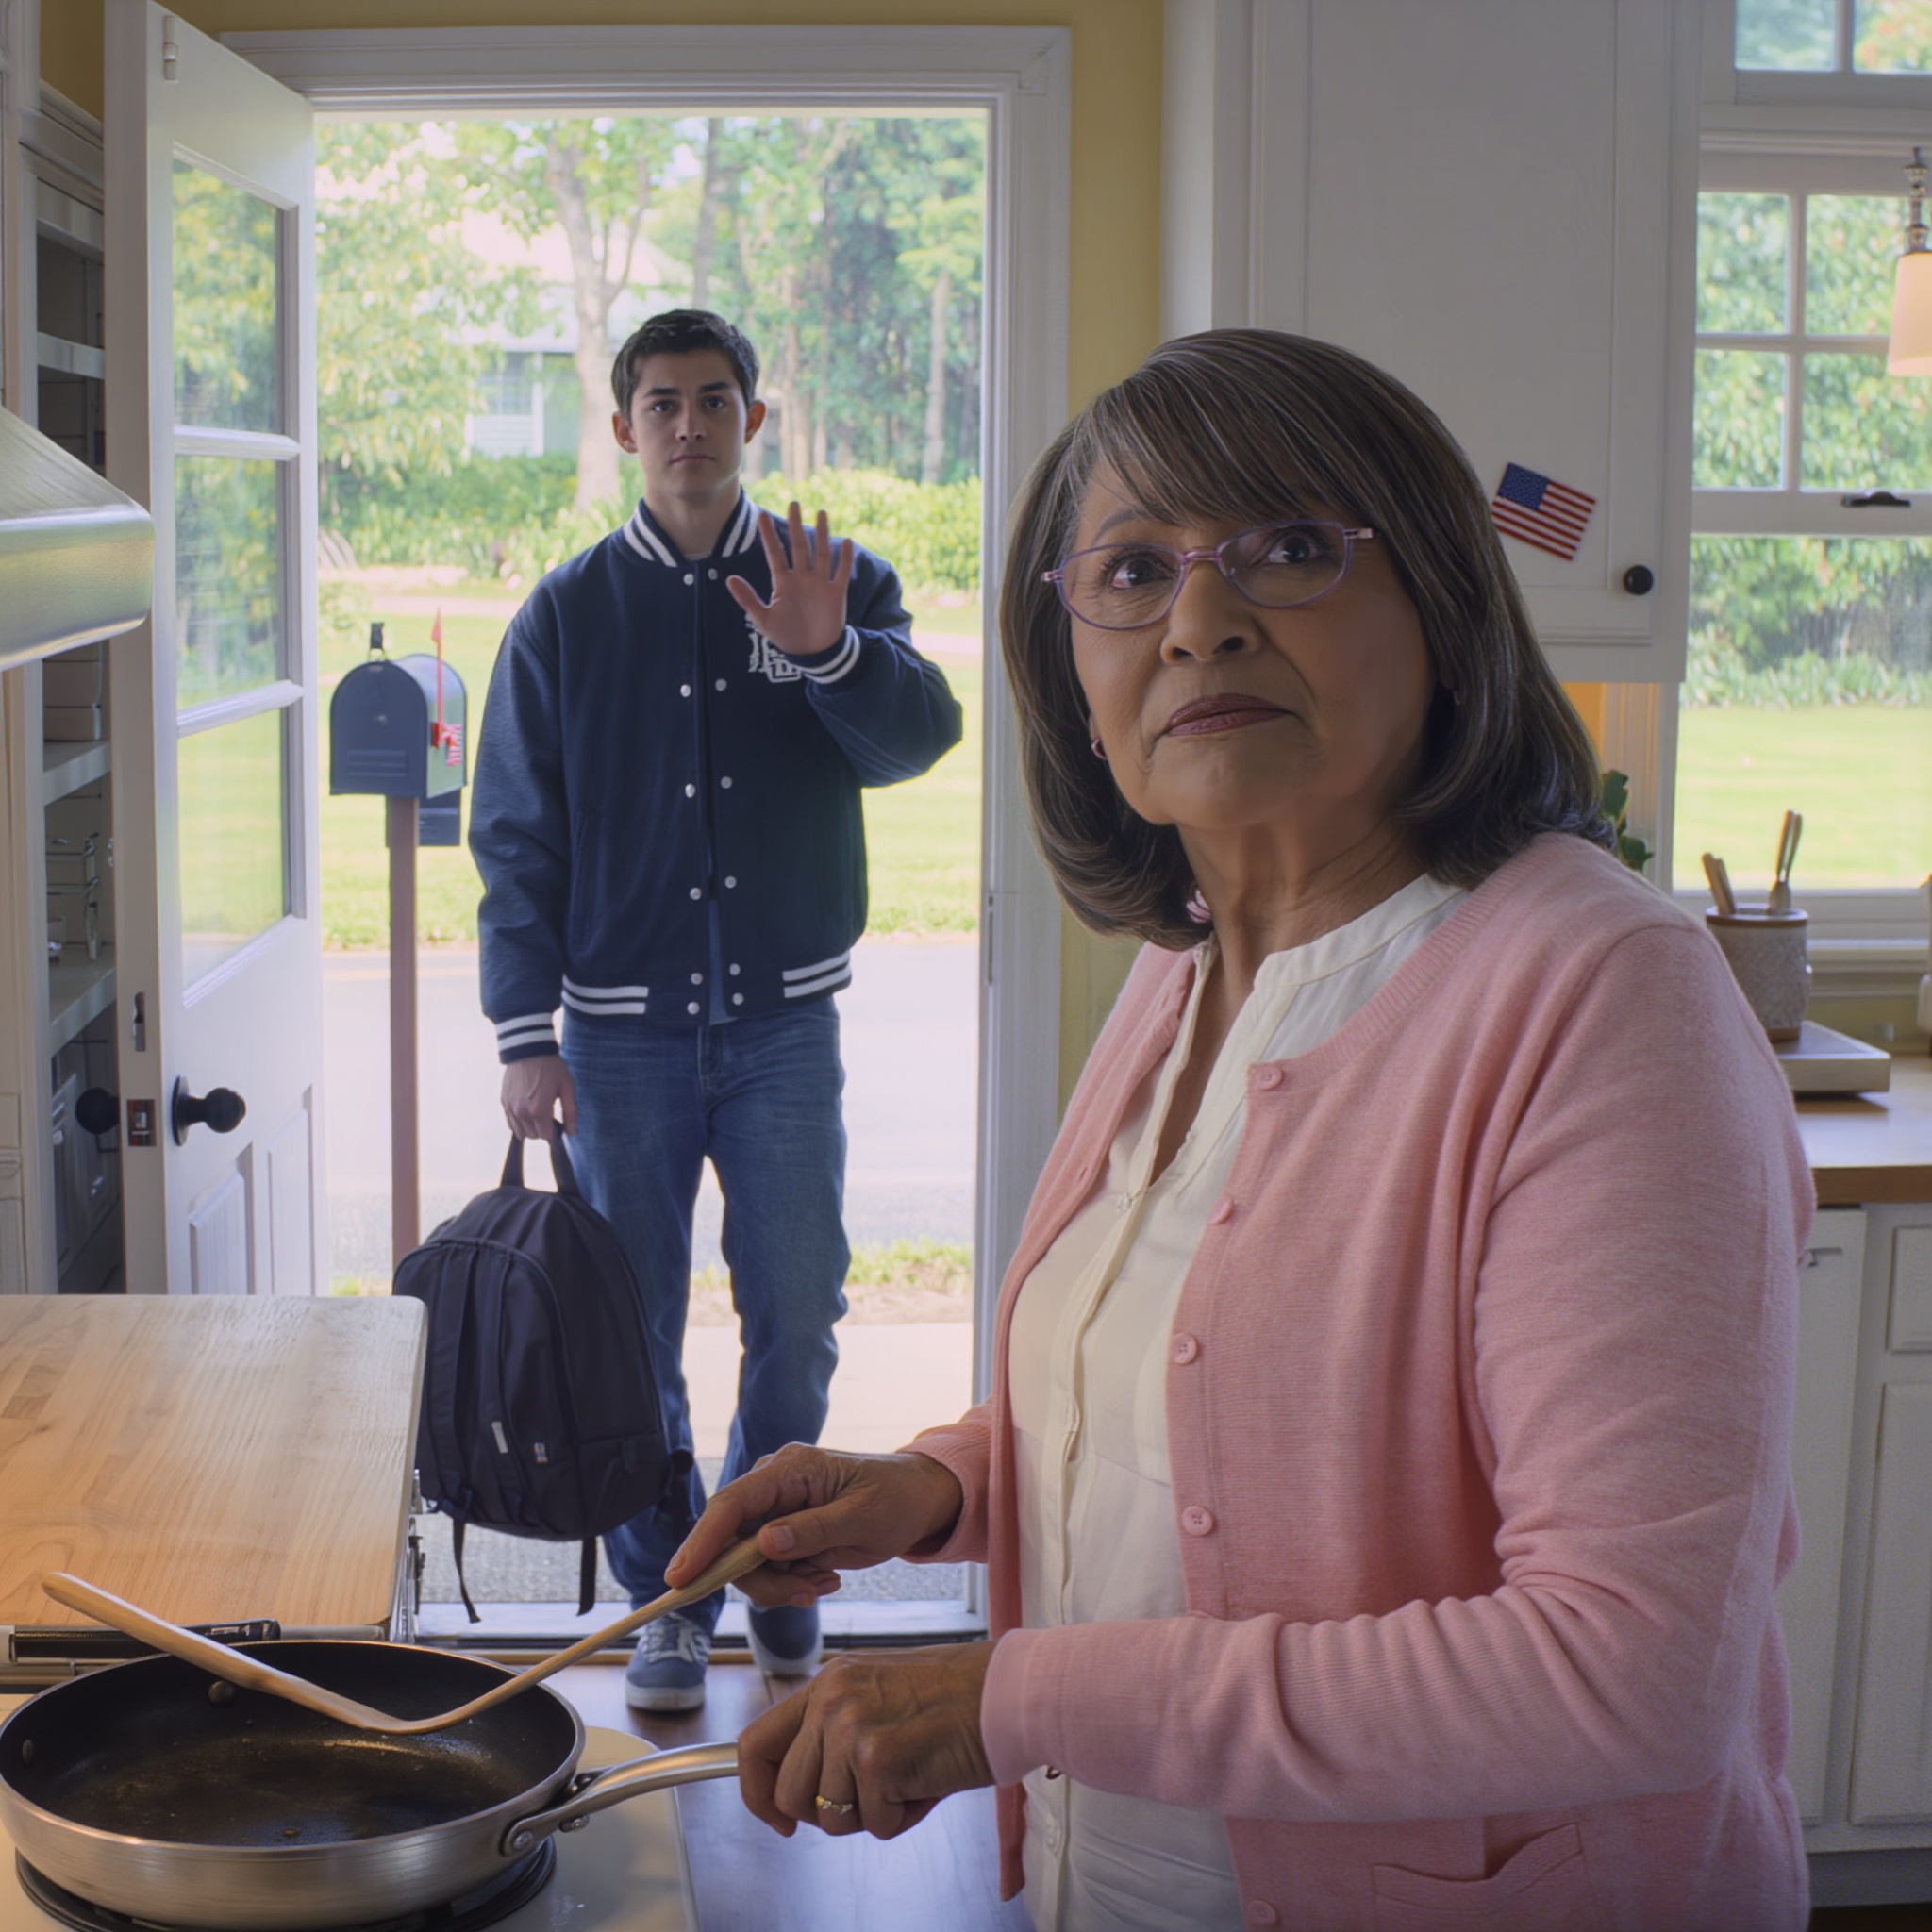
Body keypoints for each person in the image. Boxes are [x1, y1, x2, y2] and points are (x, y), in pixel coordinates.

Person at [666, 329, 1813, 1929]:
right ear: (1069, 661)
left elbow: (1627, 1670)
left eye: (1287, 550)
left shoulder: (1609, 999)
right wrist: (940, 1488)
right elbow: (1227, 1435)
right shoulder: (1185, 964)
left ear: (1434, 599)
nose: (1201, 619)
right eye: (1130, 572)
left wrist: (1008, 1698)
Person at [470, 308, 963, 1712]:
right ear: (625, 426)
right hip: (618, 1039)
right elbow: (514, 834)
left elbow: (921, 736)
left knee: (797, 1312)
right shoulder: (566, 614)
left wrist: (824, 654)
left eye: (715, 400)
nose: (689, 424)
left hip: (784, 1032)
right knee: (635, 1333)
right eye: (663, 403)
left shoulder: (835, 575)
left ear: (755, 419)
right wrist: (523, 1034)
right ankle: (668, 1598)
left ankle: (774, 1561)